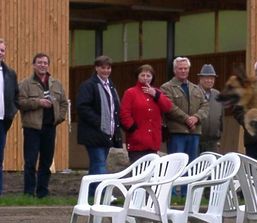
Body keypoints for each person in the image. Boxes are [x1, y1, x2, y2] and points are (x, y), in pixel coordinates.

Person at [17, 53, 68, 198]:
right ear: (34, 65)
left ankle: (42, 192)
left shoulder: (56, 84)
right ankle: (28, 193)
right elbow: (20, 103)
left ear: (48, 65)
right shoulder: (25, 84)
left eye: (45, 63)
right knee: (30, 161)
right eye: (39, 62)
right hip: (32, 128)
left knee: (46, 162)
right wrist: (38, 102)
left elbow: (63, 103)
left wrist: (59, 117)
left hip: (49, 128)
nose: (42, 65)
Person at [161, 57, 208, 196]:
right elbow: (170, 107)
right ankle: (172, 195)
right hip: (177, 132)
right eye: (180, 68)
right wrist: (186, 118)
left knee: (191, 164)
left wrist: (196, 117)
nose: (183, 71)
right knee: (175, 164)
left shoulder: (196, 89)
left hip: (194, 132)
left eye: (185, 68)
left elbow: (205, 106)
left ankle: (187, 195)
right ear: (175, 70)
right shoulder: (166, 87)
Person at [76, 55, 122, 195]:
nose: (106, 71)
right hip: (94, 132)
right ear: (96, 68)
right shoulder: (88, 85)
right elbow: (82, 107)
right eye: (103, 67)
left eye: (108, 68)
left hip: (108, 133)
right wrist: (99, 122)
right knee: (100, 163)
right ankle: (103, 194)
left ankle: (91, 194)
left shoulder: (111, 86)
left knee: (96, 165)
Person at [120, 64, 172, 163]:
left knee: (151, 173)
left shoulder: (157, 92)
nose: (145, 78)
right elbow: (124, 113)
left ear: (152, 78)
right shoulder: (130, 92)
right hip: (136, 141)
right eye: (142, 75)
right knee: (138, 172)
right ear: (138, 76)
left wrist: (156, 95)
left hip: (153, 140)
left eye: (148, 76)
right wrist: (133, 130)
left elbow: (167, 107)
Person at [0, 38, 19, 196]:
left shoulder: (10, 74)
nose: (0, 53)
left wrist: (12, 111)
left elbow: (16, 95)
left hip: (2, 121)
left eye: (2, 50)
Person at [197, 64, 223, 153]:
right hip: (197, 139)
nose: (209, 80)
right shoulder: (193, 93)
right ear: (200, 79)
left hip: (213, 142)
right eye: (206, 78)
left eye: (212, 78)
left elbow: (221, 117)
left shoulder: (217, 95)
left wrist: (219, 135)